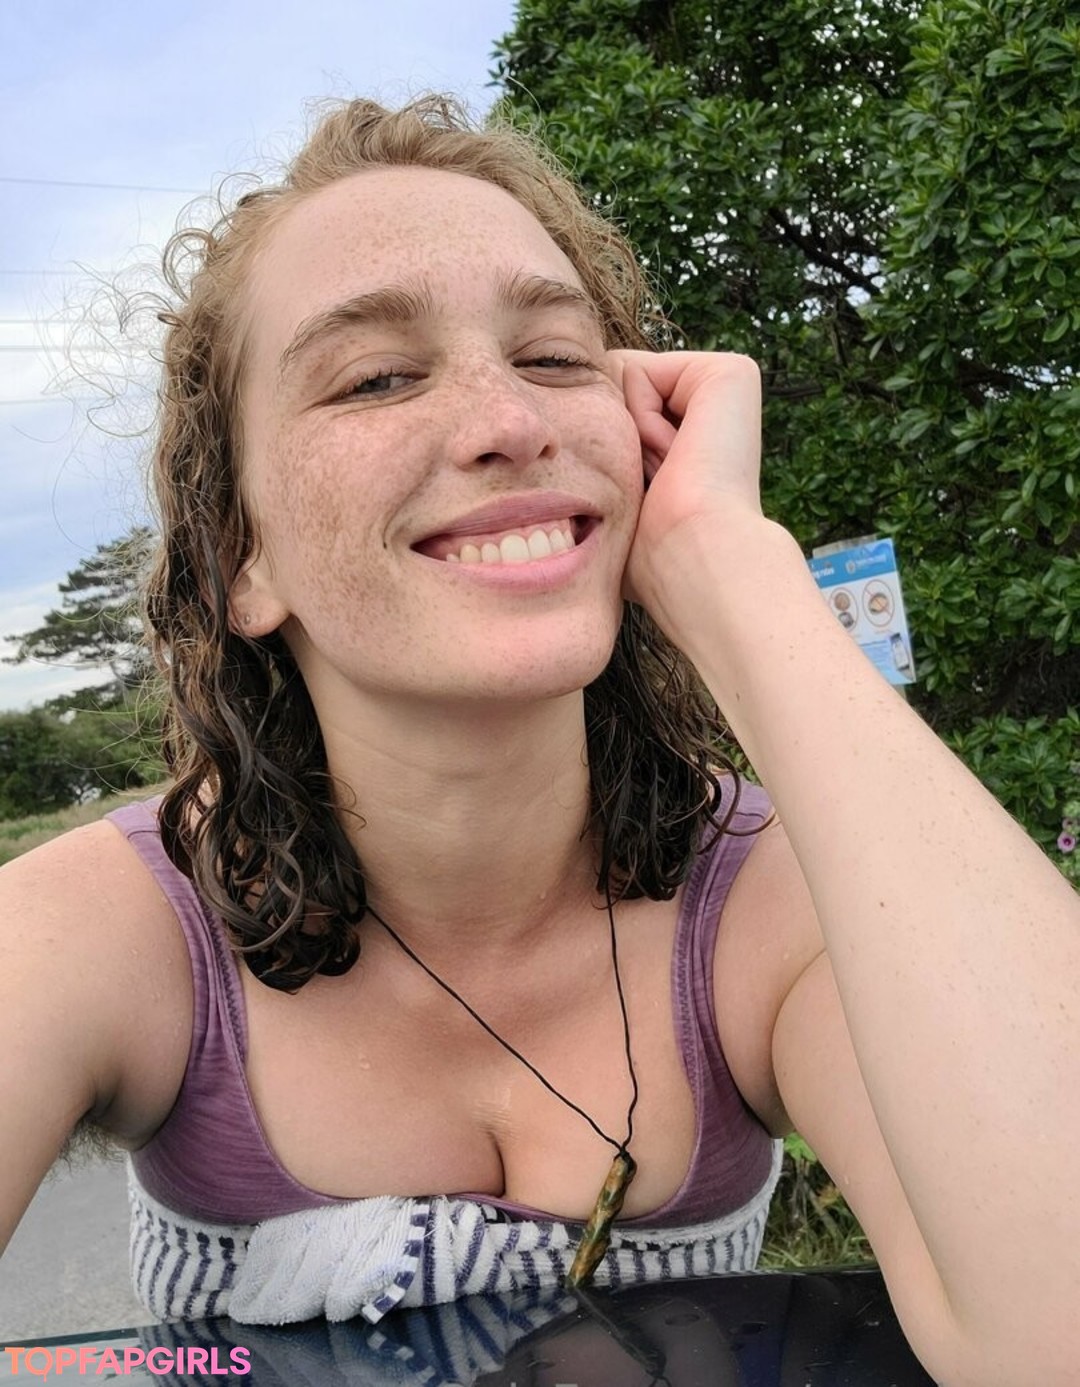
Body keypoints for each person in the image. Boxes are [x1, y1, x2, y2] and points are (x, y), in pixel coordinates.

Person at [1, 95, 1076, 1384]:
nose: (511, 421)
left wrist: (736, 573)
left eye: (558, 357)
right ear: (242, 556)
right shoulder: (99, 930)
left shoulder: (770, 906)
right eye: (378, 376)